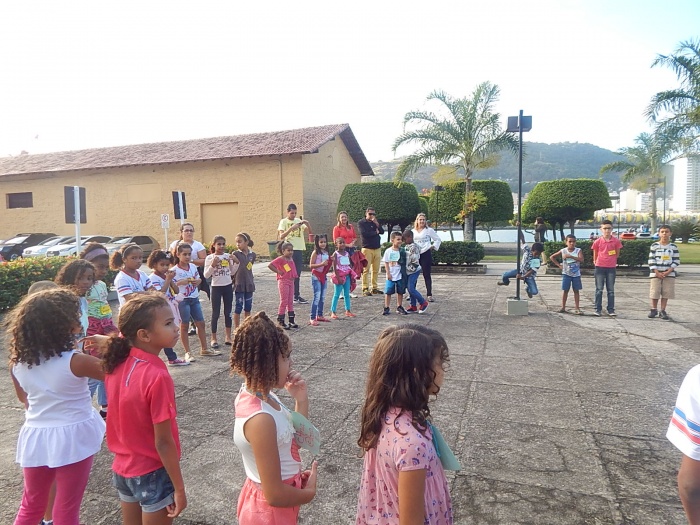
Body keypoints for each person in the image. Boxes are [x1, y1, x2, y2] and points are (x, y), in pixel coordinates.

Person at [8, 288, 106, 525]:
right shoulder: (76, 361)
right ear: (65, 324)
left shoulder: (18, 363)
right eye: (76, 314)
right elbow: (121, 372)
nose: (80, 318)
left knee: (31, 504)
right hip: (73, 436)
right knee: (66, 507)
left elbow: (25, 400)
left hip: (36, 436)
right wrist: (112, 343)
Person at [356, 324, 452, 525]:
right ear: (418, 372)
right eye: (440, 363)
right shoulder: (412, 445)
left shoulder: (382, 412)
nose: (443, 370)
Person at [103, 294, 187, 523]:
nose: (176, 327)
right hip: (152, 472)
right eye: (168, 323)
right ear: (144, 335)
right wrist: (179, 488)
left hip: (123, 468)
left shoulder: (115, 362)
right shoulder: (157, 375)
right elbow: (163, 441)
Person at [230, 312, 318, 524]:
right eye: (286, 357)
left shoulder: (264, 396)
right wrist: (309, 492)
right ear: (266, 363)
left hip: (281, 500)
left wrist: (301, 400)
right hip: (269, 512)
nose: (291, 362)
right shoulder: (261, 419)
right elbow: (275, 495)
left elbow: (293, 440)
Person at [80, 243, 119, 416]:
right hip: (92, 329)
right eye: (99, 267)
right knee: (94, 370)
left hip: (106, 327)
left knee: (107, 365)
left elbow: (104, 304)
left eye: (105, 267)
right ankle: (83, 405)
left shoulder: (102, 284)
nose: (103, 271)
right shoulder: (84, 287)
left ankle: (106, 406)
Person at [147, 249, 190, 366]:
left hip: (170, 305)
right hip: (161, 307)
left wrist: (170, 281)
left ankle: (171, 356)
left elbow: (176, 290)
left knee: (169, 330)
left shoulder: (167, 276)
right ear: (154, 264)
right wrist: (168, 280)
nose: (165, 267)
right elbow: (160, 293)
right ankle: (170, 357)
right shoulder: (153, 278)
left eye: (167, 265)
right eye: (162, 265)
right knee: (164, 331)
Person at [172, 243, 215, 357]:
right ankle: (188, 352)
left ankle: (204, 348)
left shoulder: (192, 267)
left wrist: (198, 281)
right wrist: (181, 282)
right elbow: (171, 286)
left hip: (194, 298)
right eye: (184, 254)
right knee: (184, 325)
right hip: (183, 300)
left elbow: (199, 278)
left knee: (200, 323)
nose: (187, 257)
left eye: (189, 254)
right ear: (178, 255)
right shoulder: (174, 270)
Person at [169, 223, 208, 333]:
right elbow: (170, 259)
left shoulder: (198, 245)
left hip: (193, 273)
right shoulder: (175, 244)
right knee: (183, 306)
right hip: (178, 274)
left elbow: (204, 260)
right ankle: (189, 324)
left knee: (193, 298)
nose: (189, 232)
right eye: (186, 230)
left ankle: (195, 324)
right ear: (181, 232)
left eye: (191, 230)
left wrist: (191, 261)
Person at [204, 235, 237, 347]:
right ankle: (213, 338)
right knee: (215, 313)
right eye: (219, 244)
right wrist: (213, 265)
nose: (221, 246)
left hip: (227, 286)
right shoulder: (210, 258)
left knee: (228, 312)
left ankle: (228, 337)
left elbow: (232, 272)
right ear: (214, 245)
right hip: (216, 287)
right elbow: (206, 275)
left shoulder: (227, 256)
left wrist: (236, 262)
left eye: (223, 244)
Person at [278, 203, 313, 304]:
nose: (293, 215)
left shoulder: (298, 221)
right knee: (288, 272)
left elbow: (310, 232)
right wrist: (291, 228)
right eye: (292, 213)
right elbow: (281, 236)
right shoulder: (283, 221)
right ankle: (288, 295)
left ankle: (296, 295)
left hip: (298, 250)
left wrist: (307, 223)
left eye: (295, 213)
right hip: (288, 251)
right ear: (287, 212)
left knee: (297, 273)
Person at [647, 224, 680, 320]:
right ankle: (653, 309)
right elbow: (651, 259)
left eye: (666, 232)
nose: (664, 234)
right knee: (655, 291)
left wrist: (668, 271)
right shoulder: (654, 246)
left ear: (670, 233)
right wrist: (656, 271)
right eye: (662, 232)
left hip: (668, 273)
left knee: (666, 292)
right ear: (659, 233)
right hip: (656, 273)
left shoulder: (673, 247)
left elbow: (676, 260)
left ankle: (663, 310)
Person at [591, 220, 623, 317]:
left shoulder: (616, 241)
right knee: (599, 289)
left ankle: (611, 309)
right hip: (600, 267)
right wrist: (596, 262)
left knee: (611, 290)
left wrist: (611, 259)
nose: (607, 230)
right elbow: (595, 253)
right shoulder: (597, 241)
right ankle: (597, 309)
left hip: (611, 268)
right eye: (605, 228)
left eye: (609, 228)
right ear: (601, 229)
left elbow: (617, 254)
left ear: (612, 229)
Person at [549, 235, 584, 315]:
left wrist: (571, 256)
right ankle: (563, 307)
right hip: (566, 273)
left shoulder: (578, 250)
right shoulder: (563, 250)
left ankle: (577, 307)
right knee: (565, 290)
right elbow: (552, 257)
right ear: (566, 242)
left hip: (576, 274)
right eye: (570, 241)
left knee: (576, 290)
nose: (572, 243)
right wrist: (559, 265)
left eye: (573, 242)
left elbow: (581, 259)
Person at [269, 241, 299, 330]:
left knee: (290, 301)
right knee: (284, 301)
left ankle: (291, 320)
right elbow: (270, 265)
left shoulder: (290, 259)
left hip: (291, 281)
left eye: (292, 250)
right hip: (283, 281)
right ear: (283, 251)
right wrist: (278, 271)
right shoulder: (281, 259)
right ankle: (281, 320)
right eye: (288, 250)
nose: (290, 252)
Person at [412, 213, 441, 302]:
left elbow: (438, 239)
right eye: (420, 219)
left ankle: (429, 294)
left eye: (423, 220)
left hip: (426, 253)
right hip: (415, 254)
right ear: (417, 220)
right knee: (414, 274)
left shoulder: (429, 230)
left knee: (426, 274)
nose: (422, 221)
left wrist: (433, 246)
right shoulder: (413, 231)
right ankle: (412, 293)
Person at [231, 232, 256, 330]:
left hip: (249, 284)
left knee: (248, 307)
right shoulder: (235, 254)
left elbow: (249, 267)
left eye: (240, 242)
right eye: (236, 242)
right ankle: (237, 329)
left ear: (246, 242)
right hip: (239, 284)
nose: (238, 244)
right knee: (238, 307)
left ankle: (247, 328)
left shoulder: (252, 255)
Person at [358, 207, 385, 296]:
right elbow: (364, 234)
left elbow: (382, 231)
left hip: (377, 248)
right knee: (366, 269)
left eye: (374, 214)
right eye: (370, 214)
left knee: (375, 269)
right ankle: (365, 288)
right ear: (366, 214)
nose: (372, 216)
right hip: (367, 248)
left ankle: (374, 287)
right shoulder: (362, 223)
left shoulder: (375, 222)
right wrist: (375, 233)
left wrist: (377, 224)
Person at [382, 231, 408, 316]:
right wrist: (388, 273)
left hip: (400, 274)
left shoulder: (402, 251)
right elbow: (386, 262)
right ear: (392, 240)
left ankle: (399, 306)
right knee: (388, 291)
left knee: (400, 291)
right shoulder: (388, 251)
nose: (400, 241)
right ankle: (386, 307)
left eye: (401, 239)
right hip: (391, 274)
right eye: (398, 239)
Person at [330, 237, 356, 319]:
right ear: (336, 244)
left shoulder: (347, 253)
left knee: (347, 294)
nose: (342, 244)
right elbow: (334, 267)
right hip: (339, 276)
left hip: (347, 276)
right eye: (340, 243)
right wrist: (338, 278)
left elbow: (349, 264)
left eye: (343, 242)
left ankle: (348, 310)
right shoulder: (335, 254)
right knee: (336, 294)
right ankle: (333, 311)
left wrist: (351, 274)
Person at [308, 234, 332, 325]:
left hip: (323, 276)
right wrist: (321, 264)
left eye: (325, 242)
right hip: (316, 275)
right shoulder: (315, 252)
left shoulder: (326, 252)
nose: (323, 244)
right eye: (321, 242)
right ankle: (312, 317)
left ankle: (320, 315)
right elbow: (311, 265)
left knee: (322, 297)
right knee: (317, 297)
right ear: (317, 243)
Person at [403, 229, 428, 313]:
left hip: (413, 270)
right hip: (409, 270)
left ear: (410, 237)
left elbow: (415, 261)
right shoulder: (407, 246)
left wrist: (409, 269)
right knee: (411, 288)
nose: (404, 241)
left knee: (411, 288)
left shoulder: (414, 247)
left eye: (405, 239)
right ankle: (413, 305)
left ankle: (423, 302)